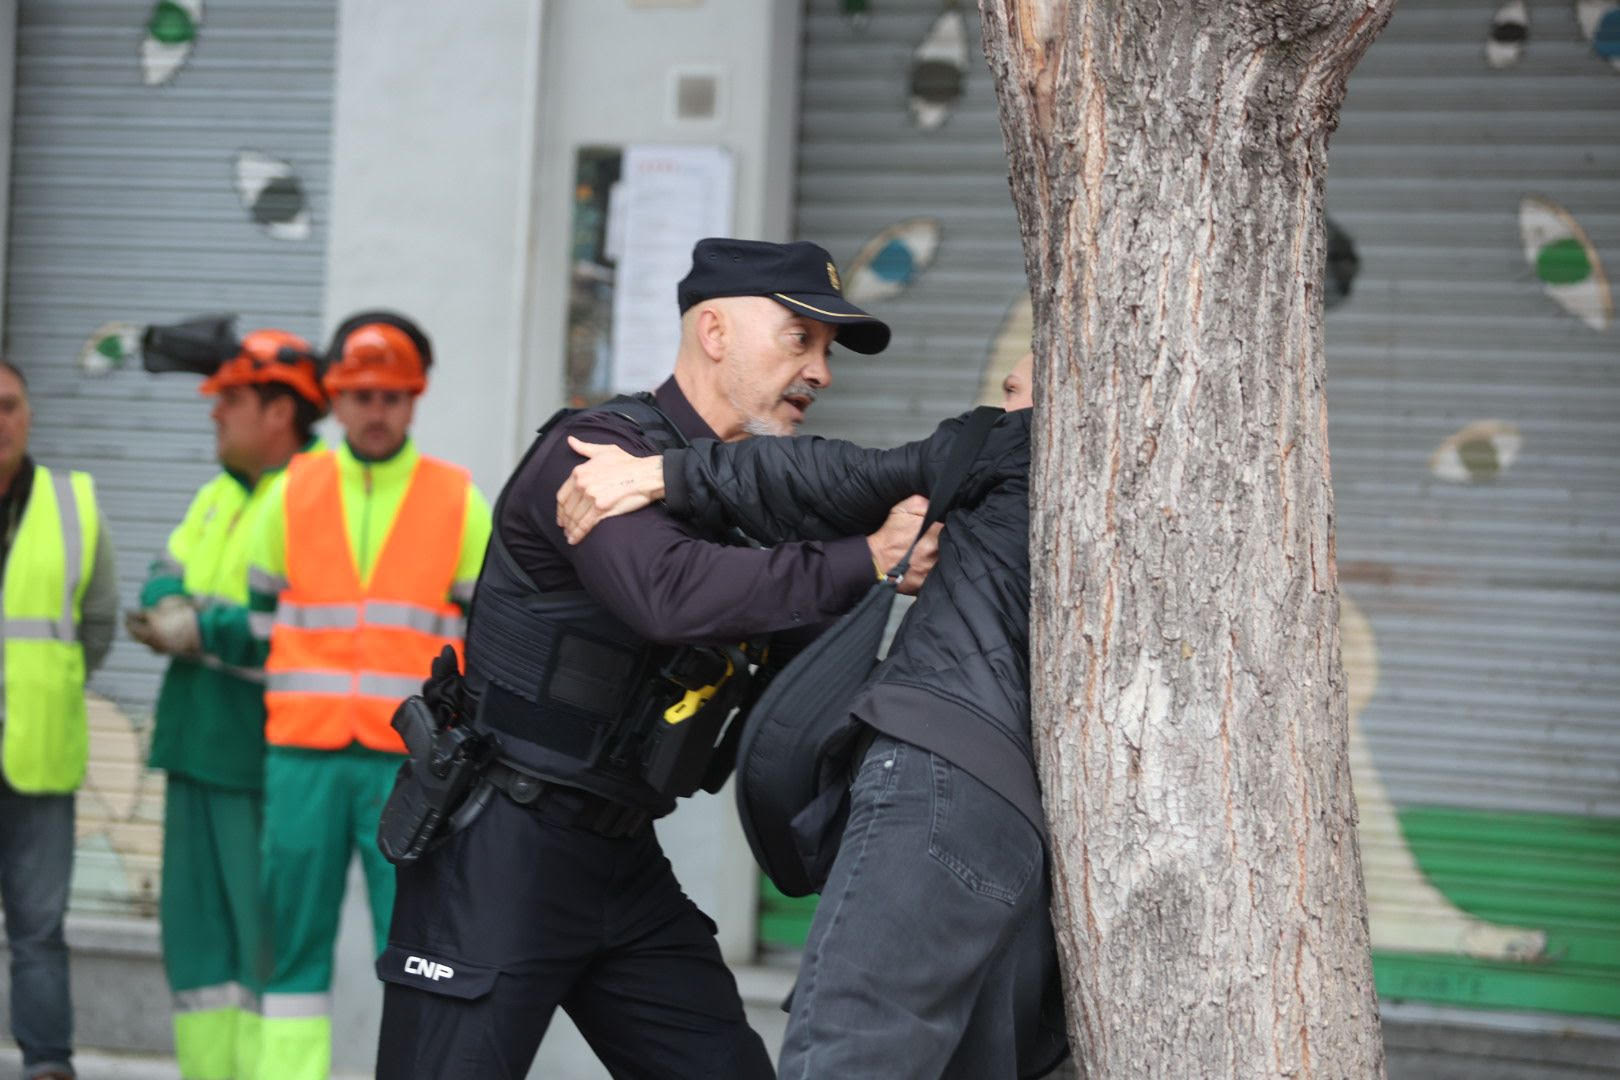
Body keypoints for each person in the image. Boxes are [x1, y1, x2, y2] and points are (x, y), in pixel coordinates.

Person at [375, 238, 940, 1079]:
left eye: (828, 351)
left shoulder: (752, 489)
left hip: (621, 860)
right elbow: (667, 595)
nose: (821, 371)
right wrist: (865, 556)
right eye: (800, 338)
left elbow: (808, 658)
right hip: (500, 846)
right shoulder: (595, 456)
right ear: (714, 332)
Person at [557, 352, 1063, 1078]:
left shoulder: (1026, 439)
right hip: (1020, 826)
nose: (999, 405)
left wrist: (658, 473)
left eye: (1014, 391)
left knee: (846, 1053)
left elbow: (838, 477)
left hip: (939, 772)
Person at [245, 313, 491, 1080]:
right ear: (337, 400)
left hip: (411, 772)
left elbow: (486, 642)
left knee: (417, 949)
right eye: (361, 396)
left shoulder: (458, 499)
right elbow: (258, 622)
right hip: (303, 757)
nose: (375, 410)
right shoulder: (290, 491)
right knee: (289, 950)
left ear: (413, 400)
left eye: (391, 395)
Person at [126, 322, 328, 1080]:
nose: (215, 413)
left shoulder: (310, 496)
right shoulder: (218, 493)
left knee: (263, 951)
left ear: (281, 413)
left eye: (233, 400)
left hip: (262, 760)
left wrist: (196, 627)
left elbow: (287, 623)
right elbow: (159, 571)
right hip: (197, 748)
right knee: (201, 953)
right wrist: (168, 603)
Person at [0, 358, 118, 1080]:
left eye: (10, 404)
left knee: (39, 931)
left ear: (30, 414)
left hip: (40, 755)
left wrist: (49, 688)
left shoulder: (71, 503)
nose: (0, 420)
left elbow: (98, 622)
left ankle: (47, 1065)